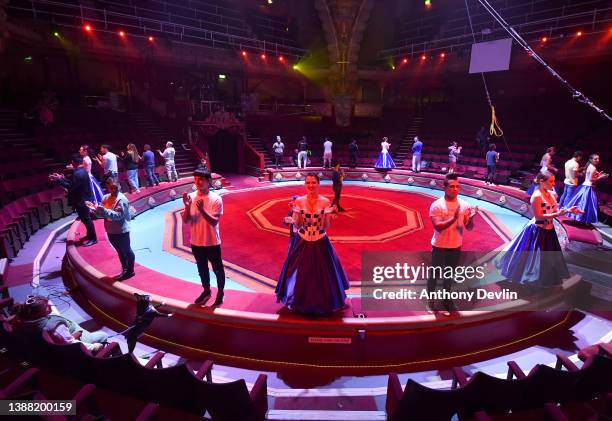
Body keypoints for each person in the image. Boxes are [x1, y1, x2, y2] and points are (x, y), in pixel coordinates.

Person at [276, 173, 349, 315]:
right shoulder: (299, 201)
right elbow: (298, 224)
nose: (310, 185)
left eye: (313, 182)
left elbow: (325, 227)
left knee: (324, 275)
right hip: (303, 239)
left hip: (320, 240)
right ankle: (299, 301)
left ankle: (324, 303)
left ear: (318, 184)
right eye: (308, 182)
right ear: (305, 184)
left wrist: (326, 215)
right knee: (299, 273)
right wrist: (293, 215)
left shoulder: (325, 202)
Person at [497, 171, 582, 287]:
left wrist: (568, 210)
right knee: (531, 258)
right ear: (542, 182)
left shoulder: (553, 194)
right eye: (551, 181)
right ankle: (528, 279)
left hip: (549, 228)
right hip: (537, 229)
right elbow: (539, 217)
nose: (553, 184)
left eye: (554, 181)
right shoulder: (536, 196)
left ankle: (544, 279)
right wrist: (557, 214)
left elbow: (555, 209)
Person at [428, 173, 477, 316]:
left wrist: (471, 219)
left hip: (456, 245)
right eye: (451, 186)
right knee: (434, 274)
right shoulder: (436, 205)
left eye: (457, 186)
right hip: (439, 245)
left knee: (449, 275)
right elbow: (438, 227)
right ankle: (430, 299)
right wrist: (454, 218)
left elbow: (468, 228)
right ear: (444, 187)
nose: (455, 189)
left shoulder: (465, 205)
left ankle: (446, 298)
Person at [182, 169, 225, 306]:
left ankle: (220, 292)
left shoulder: (216, 199)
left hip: (212, 242)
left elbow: (213, 222)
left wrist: (202, 210)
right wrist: (187, 207)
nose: (197, 182)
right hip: (196, 242)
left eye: (200, 179)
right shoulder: (191, 197)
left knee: (218, 269)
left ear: (208, 181)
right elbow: (186, 220)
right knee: (202, 269)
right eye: (195, 179)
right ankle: (206, 290)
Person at [10, 295, 108, 352]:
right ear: (37, 313)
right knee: (103, 335)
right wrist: (94, 347)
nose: (50, 306)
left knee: (61, 316)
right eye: (46, 306)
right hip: (75, 339)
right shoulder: (54, 326)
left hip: (52, 341)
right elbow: (71, 344)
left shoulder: (21, 319)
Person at [87, 178, 135, 281]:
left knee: (126, 250)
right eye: (111, 187)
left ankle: (130, 271)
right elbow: (101, 215)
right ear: (107, 187)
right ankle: (125, 269)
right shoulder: (105, 198)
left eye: (115, 187)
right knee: (119, 251)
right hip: (110, 230)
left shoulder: (121, 199)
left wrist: (103, 210)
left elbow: (118, 216)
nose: (114, 189)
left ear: (119, 186)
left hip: (121, 231)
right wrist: (95, 210)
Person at [49, 154, 97, 247]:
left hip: (82, 200)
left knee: (86, 219)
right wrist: (61, 178)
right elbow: (74, 184)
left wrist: (60, 180)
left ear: (73, 162)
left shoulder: (78, 173)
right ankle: (90, 235)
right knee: (84, 219)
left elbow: (71, 187)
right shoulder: (81, 171)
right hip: (83, 198)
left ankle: (93, 238)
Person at [564, 154, 608, 224]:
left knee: (582, 203)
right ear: (591, 159)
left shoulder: (589, 166)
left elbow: (589, 176)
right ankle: (580, 218)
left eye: (598, 159)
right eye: (595, 159)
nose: (597, 160)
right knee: (586, 204)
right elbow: (591, 179)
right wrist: (601, 177)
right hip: (588, 187)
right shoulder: (593, 168)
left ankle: (578, 218)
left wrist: (598, 175)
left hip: (584, 186)